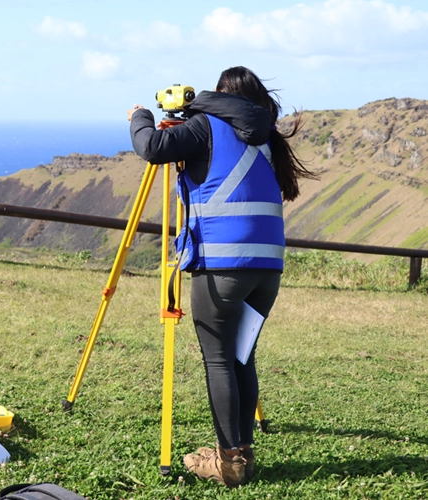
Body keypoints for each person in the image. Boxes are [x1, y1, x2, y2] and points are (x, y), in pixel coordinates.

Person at [127, 66, 317, 487]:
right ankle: (241, 453)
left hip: (221, 267)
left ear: (221, 96)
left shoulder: (206, 126)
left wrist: (139, 117)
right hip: (267, 271)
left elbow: (152, 146)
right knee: (240, 357)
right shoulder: (267, 139)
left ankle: (230, 463)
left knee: (218, 358)